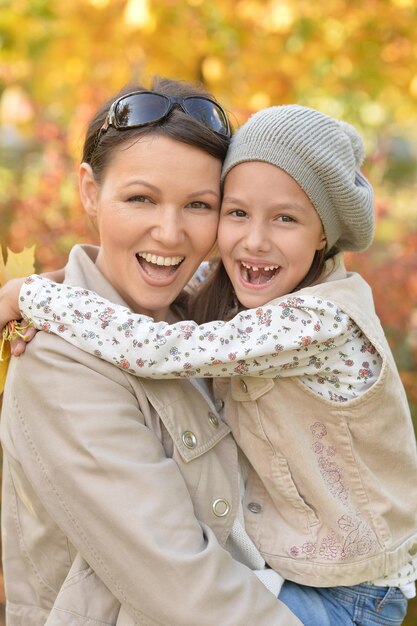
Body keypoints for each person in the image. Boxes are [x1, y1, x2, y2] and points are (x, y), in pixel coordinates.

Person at [4, 103, 417, 626]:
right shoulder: (69, 361)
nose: (254, 239)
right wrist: (57, 289)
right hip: (284, 585)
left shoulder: (310, 319)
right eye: (236, 213)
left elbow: (162, 347)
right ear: (89, 191)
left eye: (199, 205)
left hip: (343, 595)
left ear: (323, 235)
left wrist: (33, 294)